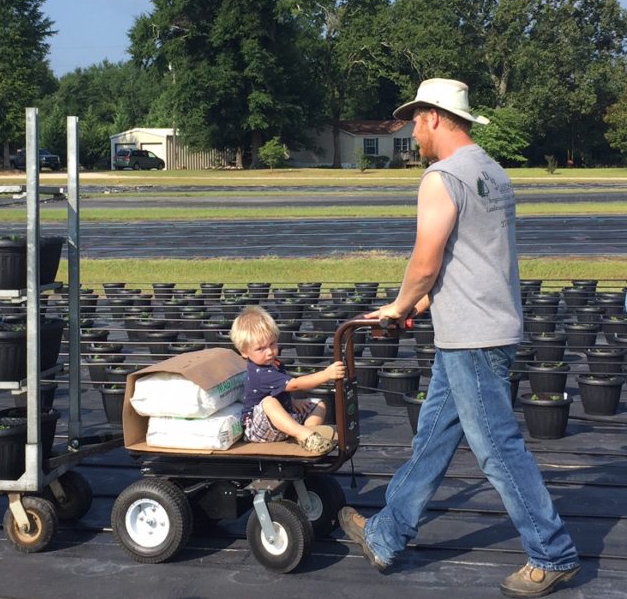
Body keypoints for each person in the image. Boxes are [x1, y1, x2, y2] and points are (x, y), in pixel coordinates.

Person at [337, 79, 580, 598]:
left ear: (434, 118)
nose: (411, 132)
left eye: (415, 121)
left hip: (471, 336)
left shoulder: (441, 176)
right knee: (433, 438)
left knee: (496, 448)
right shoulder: (492, 171)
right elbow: (474, 258)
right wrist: (423, 306)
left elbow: (426, 261)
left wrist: (399, 306)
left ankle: (552, 552)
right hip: (481, 326)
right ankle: (387, 533)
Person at [229, 305, 345, 453]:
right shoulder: (260, 373)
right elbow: (294, 385)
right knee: (268, 402)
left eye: (272, 344)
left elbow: (279, 391)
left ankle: (308, 436)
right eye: (260, 349)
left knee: (318, 404)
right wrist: (325, 374)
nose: (270, 352)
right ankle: (303, 434)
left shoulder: (274, 364)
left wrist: (292, 402)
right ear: (244, 352)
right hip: (258, 429)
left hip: (280, 423)